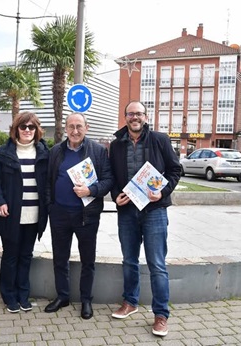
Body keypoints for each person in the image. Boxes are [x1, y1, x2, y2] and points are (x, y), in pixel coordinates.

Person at [109, 101, 181, 337]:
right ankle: (130, 302)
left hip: (155, 211)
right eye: (131, 114)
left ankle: (160, 315)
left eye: (139, 113)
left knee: (157, 265)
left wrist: (163, 191)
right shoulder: (116, 144)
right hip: (127, 212)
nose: (135, 117)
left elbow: (175, 170)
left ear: (146, 116)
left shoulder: (160, 140)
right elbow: (113, 176)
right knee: (129, 260)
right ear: (125, 117)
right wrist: (115, 197)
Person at [44, 112, 113, 319]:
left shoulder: (99, 151)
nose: (75, 131)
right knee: (60, 258)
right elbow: (49, 181)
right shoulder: (56, 151)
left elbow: (109, 180)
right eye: (71, 126)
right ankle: (62, 296)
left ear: (87, 127)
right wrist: (51, 206)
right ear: (66, 128)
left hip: (86, 216)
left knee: (87, 260)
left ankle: (86, 300)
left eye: (79, 126)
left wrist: (91, 190)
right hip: (59, 215)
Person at [0, 111, 50, 313]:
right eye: (23, 127)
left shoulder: (44, 153)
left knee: (26, 255)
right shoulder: (3, 154)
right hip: (10, 216)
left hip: (34, 215)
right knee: (11, 256)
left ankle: (24, 295)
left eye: (31, 127)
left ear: (37, 130)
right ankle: (9, 296)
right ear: (16, 130)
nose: (27, 131)